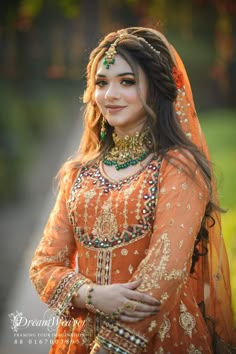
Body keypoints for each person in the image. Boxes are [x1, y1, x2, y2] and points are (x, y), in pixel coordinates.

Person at [29, 27, 236, 354]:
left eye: (126, 82)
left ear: (154, 89)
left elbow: (164, 269)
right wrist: (93, 296)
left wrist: (112, 346)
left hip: (161, 337)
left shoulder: (179, 167)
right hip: (79, 338)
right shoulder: (77, 173)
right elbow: (44, 265)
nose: (110, 94)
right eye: (102, 82)